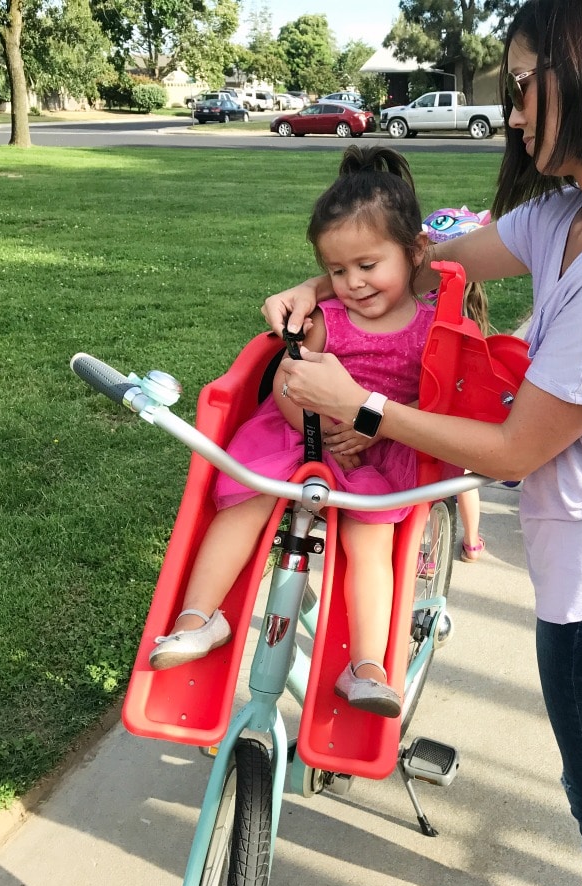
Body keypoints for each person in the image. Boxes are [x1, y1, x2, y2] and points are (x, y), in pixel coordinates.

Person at [264, 1, 582, 886]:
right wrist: (322, 282)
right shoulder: (572, 220)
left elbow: (510, 450)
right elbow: (426, 258)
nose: (510, 112)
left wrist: (364, 404)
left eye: (521, 84)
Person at [150, 144, 443, 720]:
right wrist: (322, 427)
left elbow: (430, 398)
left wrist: (371, 427)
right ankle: (199, 617)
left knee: (371, 540)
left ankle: (366, 666)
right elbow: (288, 383)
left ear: (414, 254)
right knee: (247, 496)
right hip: (300, 434)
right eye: (337, 270)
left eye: (367, 266)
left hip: (378, 451)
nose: (353, 283)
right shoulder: (325, 320)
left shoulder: (434, 324)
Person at [422, 206, 493, 563]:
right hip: (459, 413)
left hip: (428, 407)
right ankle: (473, 541)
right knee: (460, 481)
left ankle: (427, 555)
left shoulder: (427, 308)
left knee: (428, 485)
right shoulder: (472, 310)